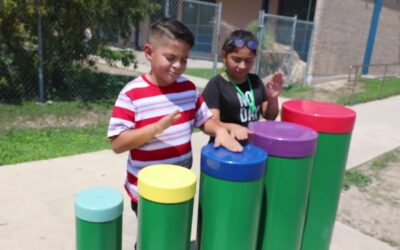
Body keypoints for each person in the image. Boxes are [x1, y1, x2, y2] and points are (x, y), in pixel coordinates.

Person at [107, 18, 243, 248]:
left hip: (180, 187)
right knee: (155, 239)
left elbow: (205, 120)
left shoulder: (188, 89)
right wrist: (155, 129)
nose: (178, 66)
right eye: (171, 58)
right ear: (149, 53)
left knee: (174, 238)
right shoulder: (132, 94)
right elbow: (117, 144)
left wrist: (219, 129)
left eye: (184, 60)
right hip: (146, 192)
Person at [202, 29, 284, 142]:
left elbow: (269, 116)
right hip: (226, 148)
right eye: (236, 59)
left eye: (248, 61)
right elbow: (211, 123)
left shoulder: (255, 81)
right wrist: (233, 128)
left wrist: (272, 98)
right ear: (224, 56)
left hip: (253, 147)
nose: (242, 66)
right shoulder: (216, 84)